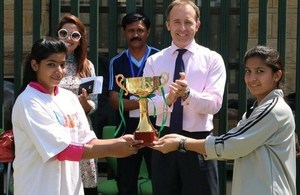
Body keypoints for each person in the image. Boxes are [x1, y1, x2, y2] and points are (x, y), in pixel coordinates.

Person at [151, 45, 297, 195]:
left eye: (260, 71)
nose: (252, 78)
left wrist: (182, 143)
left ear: (277, 75)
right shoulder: (261, 108)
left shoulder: (272, 110)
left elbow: (230, 145)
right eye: (248, 71)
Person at [12, 37, 142, 195]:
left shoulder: (69, 98)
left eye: (62, 64)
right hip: (37, 188)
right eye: (51, 64)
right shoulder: (29, 101)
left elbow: (87, 140)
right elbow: (63, 150)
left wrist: (120, 141)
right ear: (35, 65)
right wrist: (113, 149)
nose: (59, 71)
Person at [143, 0, 226, 194]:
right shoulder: (154, 61)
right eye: (176, 22)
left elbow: (215, 104)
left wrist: (188, 94)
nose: (182, 28)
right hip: (163, 143)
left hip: (199, 144)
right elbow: (146, 106)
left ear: (197, 25)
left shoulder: (212, 59)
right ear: (167, 25)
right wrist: (169, 99)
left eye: (188, 22)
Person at [108, 12, 159, 195]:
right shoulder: (117, 61)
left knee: (161, 181)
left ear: (148, 32)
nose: (135, 34)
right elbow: (114, 101)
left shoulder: (159, 57)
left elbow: (167, 97)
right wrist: (145, 102)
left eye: (140, 30)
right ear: (124, 32)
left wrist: (131, 101)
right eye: (131, 31)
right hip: (128, 130)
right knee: (126, 182)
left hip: (158, 127)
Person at [56, 14, 98, 195]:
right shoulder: (50, 63)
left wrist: (84, 103)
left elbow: (93, 105)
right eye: (64, 33)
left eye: (75, 35)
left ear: (81, 40)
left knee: (83, 184)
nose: (69, 39)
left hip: (79, 129)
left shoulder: (87, 66)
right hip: (56, 129)